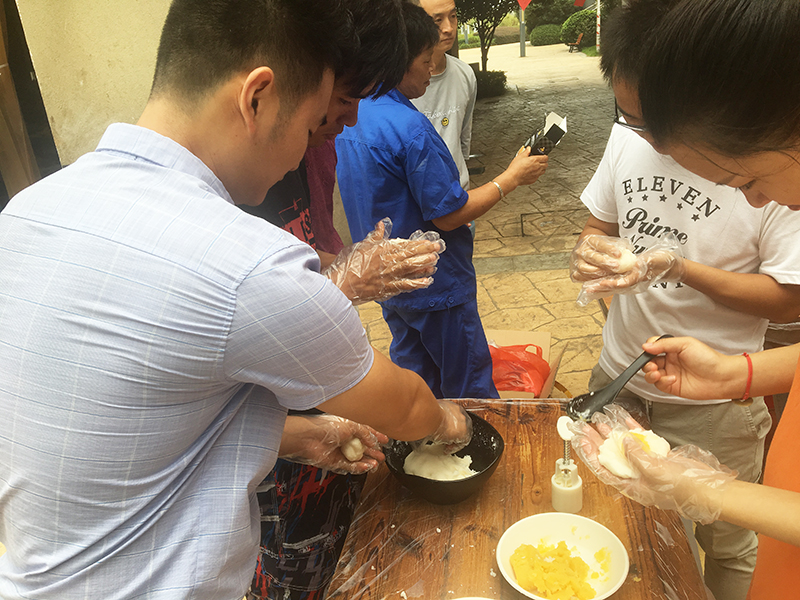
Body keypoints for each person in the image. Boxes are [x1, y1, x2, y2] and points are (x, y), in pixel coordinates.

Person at [0, 1, 473, 598]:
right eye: (311, 127)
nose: (303, 153)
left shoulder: (26, 212)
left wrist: (293, 435)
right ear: (257, 98)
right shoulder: (245, 260)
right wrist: (451, 422)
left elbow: (121, 422)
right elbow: (402, 406)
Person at [566, 0, 800, 598]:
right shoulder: (633, 139)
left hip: (715, 410)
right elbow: (599, 225)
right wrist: (734, 373)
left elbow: (787, 301)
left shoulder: (768, 162)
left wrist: (680, 268)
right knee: (619, 518)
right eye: (633, 118)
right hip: (633, 373)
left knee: (729, 547)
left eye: (745, 181)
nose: (653, 138)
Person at [242, 3, 446, 598]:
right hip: (266, 467)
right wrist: (442, 419)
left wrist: (349, 264)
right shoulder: (240, 177)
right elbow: (256, 310)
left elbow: (303, 255)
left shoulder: (305, 150)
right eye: (345, 97)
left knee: (346, 549)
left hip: (307, 427)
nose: (352, 119)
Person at [336, 2, 548, 400]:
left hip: (391, 281)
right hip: (437, 284)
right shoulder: (411, 128)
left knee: (416, 384)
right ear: (398, 63)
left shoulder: (354, 115)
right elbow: (449, 216)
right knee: (469, 388)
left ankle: (425, 438)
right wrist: (511, 178)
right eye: (425, 59)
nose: (432, 68)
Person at [411, 0, 477, 193]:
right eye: (437, 20)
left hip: (460, 195)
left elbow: (462, 139)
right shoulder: (400, 84)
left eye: (453, 16)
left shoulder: (465, 74)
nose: (448, 28)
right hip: (421, 202)